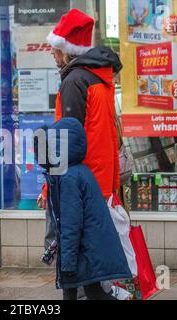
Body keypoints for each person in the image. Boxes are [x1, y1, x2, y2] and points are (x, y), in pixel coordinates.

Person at [38, 9, 123, 250]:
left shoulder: (75, 81)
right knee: (94, 248)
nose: (52, 53)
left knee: (74, 249)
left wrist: (48, 186)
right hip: (100, 177)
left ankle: (82, 288)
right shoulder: (99, 77)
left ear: (66, 50)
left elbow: (66, 141)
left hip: (80, 181)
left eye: (55, 47)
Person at [34, 118, 132, 300]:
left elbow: (71, 224)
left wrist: (68, 263)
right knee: (91, 292)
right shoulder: (76, 170)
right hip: (90, 249)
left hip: (86, 251)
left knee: (86, 293)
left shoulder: (68, 177)